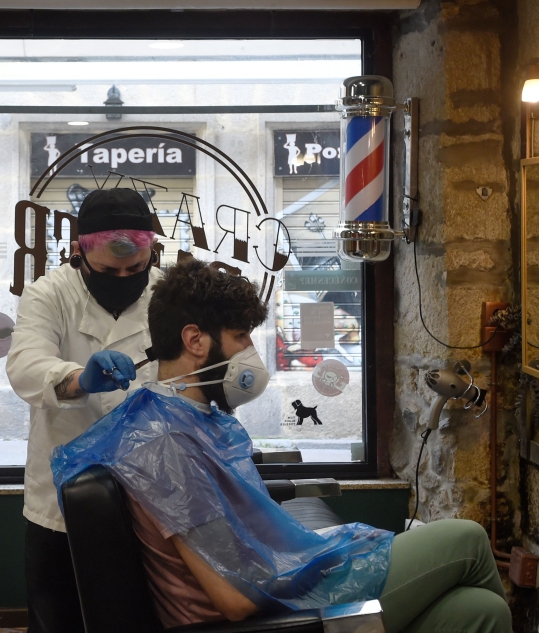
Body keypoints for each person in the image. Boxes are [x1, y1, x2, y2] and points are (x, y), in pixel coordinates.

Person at [52, 260, 511, 633]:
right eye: (240, 338)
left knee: (481, 612)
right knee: (467, 539)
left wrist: (312, 553)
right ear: (195, 340)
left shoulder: (186, 419)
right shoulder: (165, 443)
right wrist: (312, 565)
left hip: (278, 595)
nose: (250, 354)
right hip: (266, 623)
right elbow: (234, 598)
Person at [6, 187, 162, 633]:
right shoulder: (49, 294)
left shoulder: (168, 295)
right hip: (62, 497)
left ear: (151, 252)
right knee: (58, 619)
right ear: (80, 251)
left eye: (135, 268)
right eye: (109, 270)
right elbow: (24, 366)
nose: (124, 277)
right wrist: (79, 379)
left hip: (152, 489)